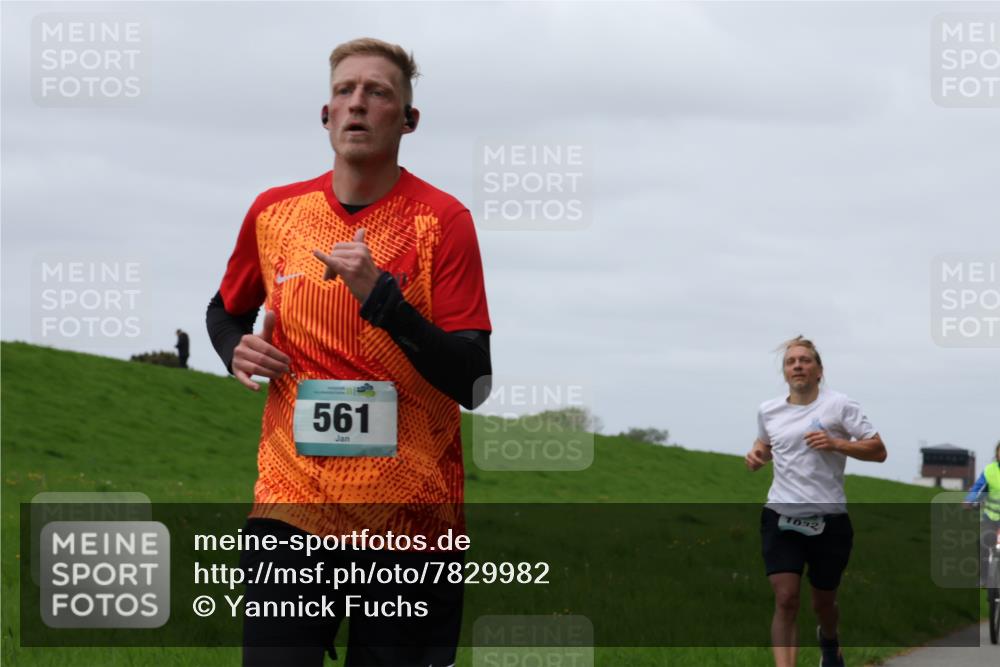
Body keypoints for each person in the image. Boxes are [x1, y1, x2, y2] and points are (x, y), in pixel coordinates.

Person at [205, 38, 492, 667]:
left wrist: (382, 298)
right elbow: (225, 311)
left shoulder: (443, 220)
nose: (358, 102)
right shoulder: (274, 213)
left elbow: (473, 382)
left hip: (412, 521)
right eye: (345, 90)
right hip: (292, 508)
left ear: (408, 120)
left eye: (378, 92)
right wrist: (236, 349)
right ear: (325, 115)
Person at [745, 336, 886, 667]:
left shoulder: (840, 406)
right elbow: (765, 444)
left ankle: (829, 638)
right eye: (791, 361)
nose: (798, 365)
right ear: (784, 372)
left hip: (830, 518)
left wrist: (836, 443)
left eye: (805, 360)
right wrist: (757, 455)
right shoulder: (769, 410)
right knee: (786, 598)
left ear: (819, 370)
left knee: (824, 602)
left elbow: (878, 450)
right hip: (781, 514)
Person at [964, 440, 1000, 586]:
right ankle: (984, 577)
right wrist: (969, 501)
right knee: (983, 543)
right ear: (997, 453)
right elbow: (977, 488)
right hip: (990, 516)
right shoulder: (989, 470)